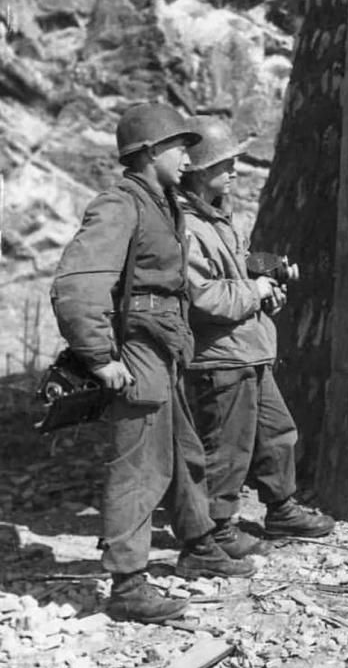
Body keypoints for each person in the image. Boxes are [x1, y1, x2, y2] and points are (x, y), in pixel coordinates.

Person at [51, 103, 257, 624]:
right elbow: (77, 286)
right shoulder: (120, 205)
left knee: (185, 454)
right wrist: (99, 358)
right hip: (138, 350)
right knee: (139, 466)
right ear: (147, 153)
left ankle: (199, 544)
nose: (189, 158)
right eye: (178, 147)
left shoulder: (163, 203)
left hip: (166, 348)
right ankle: (128, 584)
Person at [178, 116, 334, 558]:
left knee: (275, 432)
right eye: (224, 163)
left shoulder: (217, 218)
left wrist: (266, 284)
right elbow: (202, 298)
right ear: (197, 170)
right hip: (219, 357)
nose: (234, 170)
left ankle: (281, 508)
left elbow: (237, 266)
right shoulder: (186, 226)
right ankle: (216, 529)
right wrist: (255, 291)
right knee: (226, 448)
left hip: (248, 349)